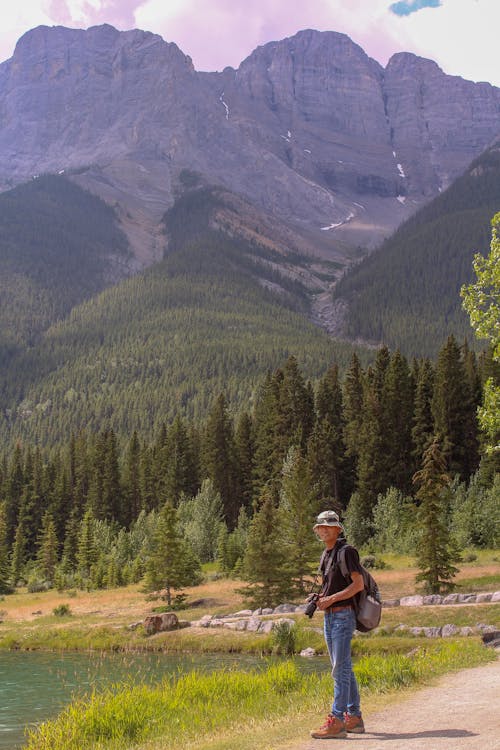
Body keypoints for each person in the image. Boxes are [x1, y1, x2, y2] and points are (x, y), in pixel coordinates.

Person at [310, 510, 366, 739]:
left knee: (339, 670)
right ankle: (354, 717)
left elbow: (358, 584)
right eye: (319, 527)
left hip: (343, 616)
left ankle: (337, 720)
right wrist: (319, 597)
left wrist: (332, 599)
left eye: (327, 526)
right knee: (343, 667)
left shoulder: (347, 552)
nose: (322, 530)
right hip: (330, 617)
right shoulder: (327, 554)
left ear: (338, 529)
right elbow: (330, 585)